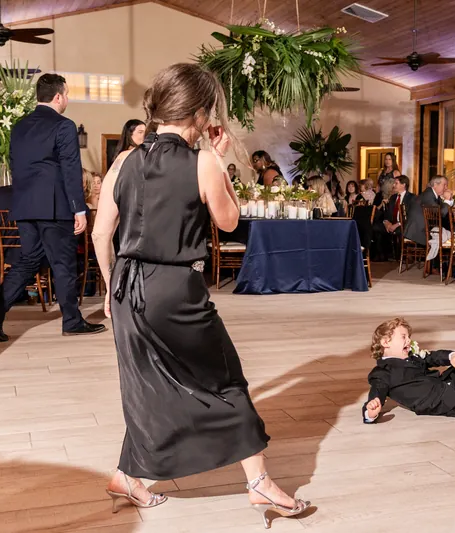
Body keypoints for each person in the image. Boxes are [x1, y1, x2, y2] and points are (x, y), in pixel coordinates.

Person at [90, 63, 310, 525]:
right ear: (199, 113)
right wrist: (219, 160)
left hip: (128, 288)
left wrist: (111, 289)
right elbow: (229, 221)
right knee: (224, 379)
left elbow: (100, 232)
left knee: (147, 387)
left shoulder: (123, 163)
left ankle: (128, 477)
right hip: (176, 288)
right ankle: (259, 483)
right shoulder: (202, 161)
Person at [0, 73, 106, 342]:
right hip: (55, 206)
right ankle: (72, 321)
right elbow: (71, 169)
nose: (68, 100)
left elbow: (16, 166)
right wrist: (79, 208)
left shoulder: (19, 126)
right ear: (58, 96)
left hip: (25, 205)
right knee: (63, 264)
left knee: (28, 260)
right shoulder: (64, 125)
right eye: (67, 95)